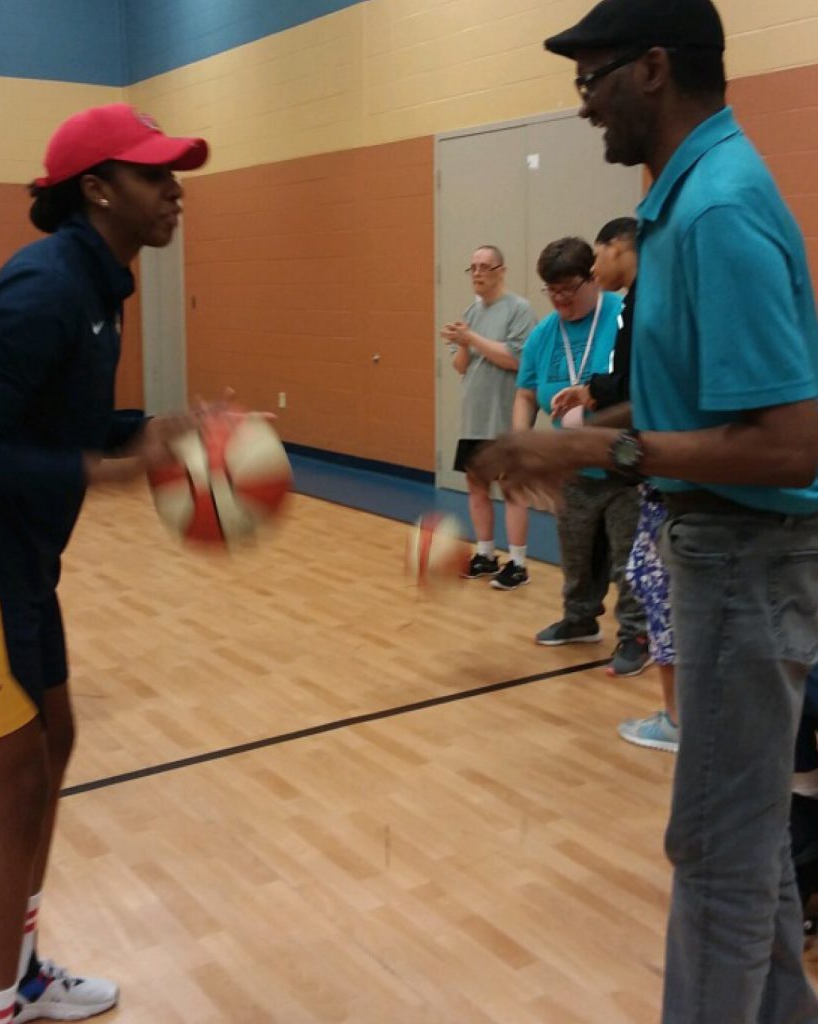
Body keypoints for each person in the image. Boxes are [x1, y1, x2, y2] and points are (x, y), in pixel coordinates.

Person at [472, 0, 818, 1019]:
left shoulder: (715, 207)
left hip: (750, 557)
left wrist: (598, 445)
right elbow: (703, 400)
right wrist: (586, 428)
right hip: (723, 550)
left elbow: (791, 440)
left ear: (655, 69)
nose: (582, 104)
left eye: (593, 77)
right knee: (742, 837)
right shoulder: (684, 202)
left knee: (713, 847)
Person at [0, 103, 208, 1024]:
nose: (174, 190)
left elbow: (46, 425)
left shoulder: (99, 288)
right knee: (13, 784)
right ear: (98, 190)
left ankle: (15, 967)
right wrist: (110, 470)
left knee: (55, 743)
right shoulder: (47, 287)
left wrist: (148, 430)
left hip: (19, 564)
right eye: (155, 176)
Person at [553, 218, 677, 744]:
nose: (596, 269)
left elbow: (638, 386)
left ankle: (675, 712)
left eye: (597, 257)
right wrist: (589, 393)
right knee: (653, 576)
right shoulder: (644, 297)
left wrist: (592, 427)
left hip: (664, 468)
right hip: (655, 464)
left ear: (618, 246)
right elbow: (627, 380)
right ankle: (676, 715)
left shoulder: (651, 298)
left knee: (651, 577)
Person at [514, 236, 649, 676]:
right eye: (552, 291)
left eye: (569, 289)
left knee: (627, 557)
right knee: (576, 550)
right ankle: (580, 618)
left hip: (624, 463)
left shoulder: (622, 316)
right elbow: (527, 392)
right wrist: (520, 445)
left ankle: (635, 634)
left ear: (591, 278)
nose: (561, 299)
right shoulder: (543, 336)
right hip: (572, 467)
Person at [441, 246, 536, 590]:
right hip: (474, 417)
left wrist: (472, 338)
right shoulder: (470, 311)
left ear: (501, 270)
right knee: (477, 487)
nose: (477, 273)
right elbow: (460, 366)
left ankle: (518, 563)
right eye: (473, 268)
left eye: (484, 266)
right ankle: (485, 555)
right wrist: (461, 343)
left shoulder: (519, 309)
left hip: (505, 416)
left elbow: (516, 359)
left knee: (512, 489)